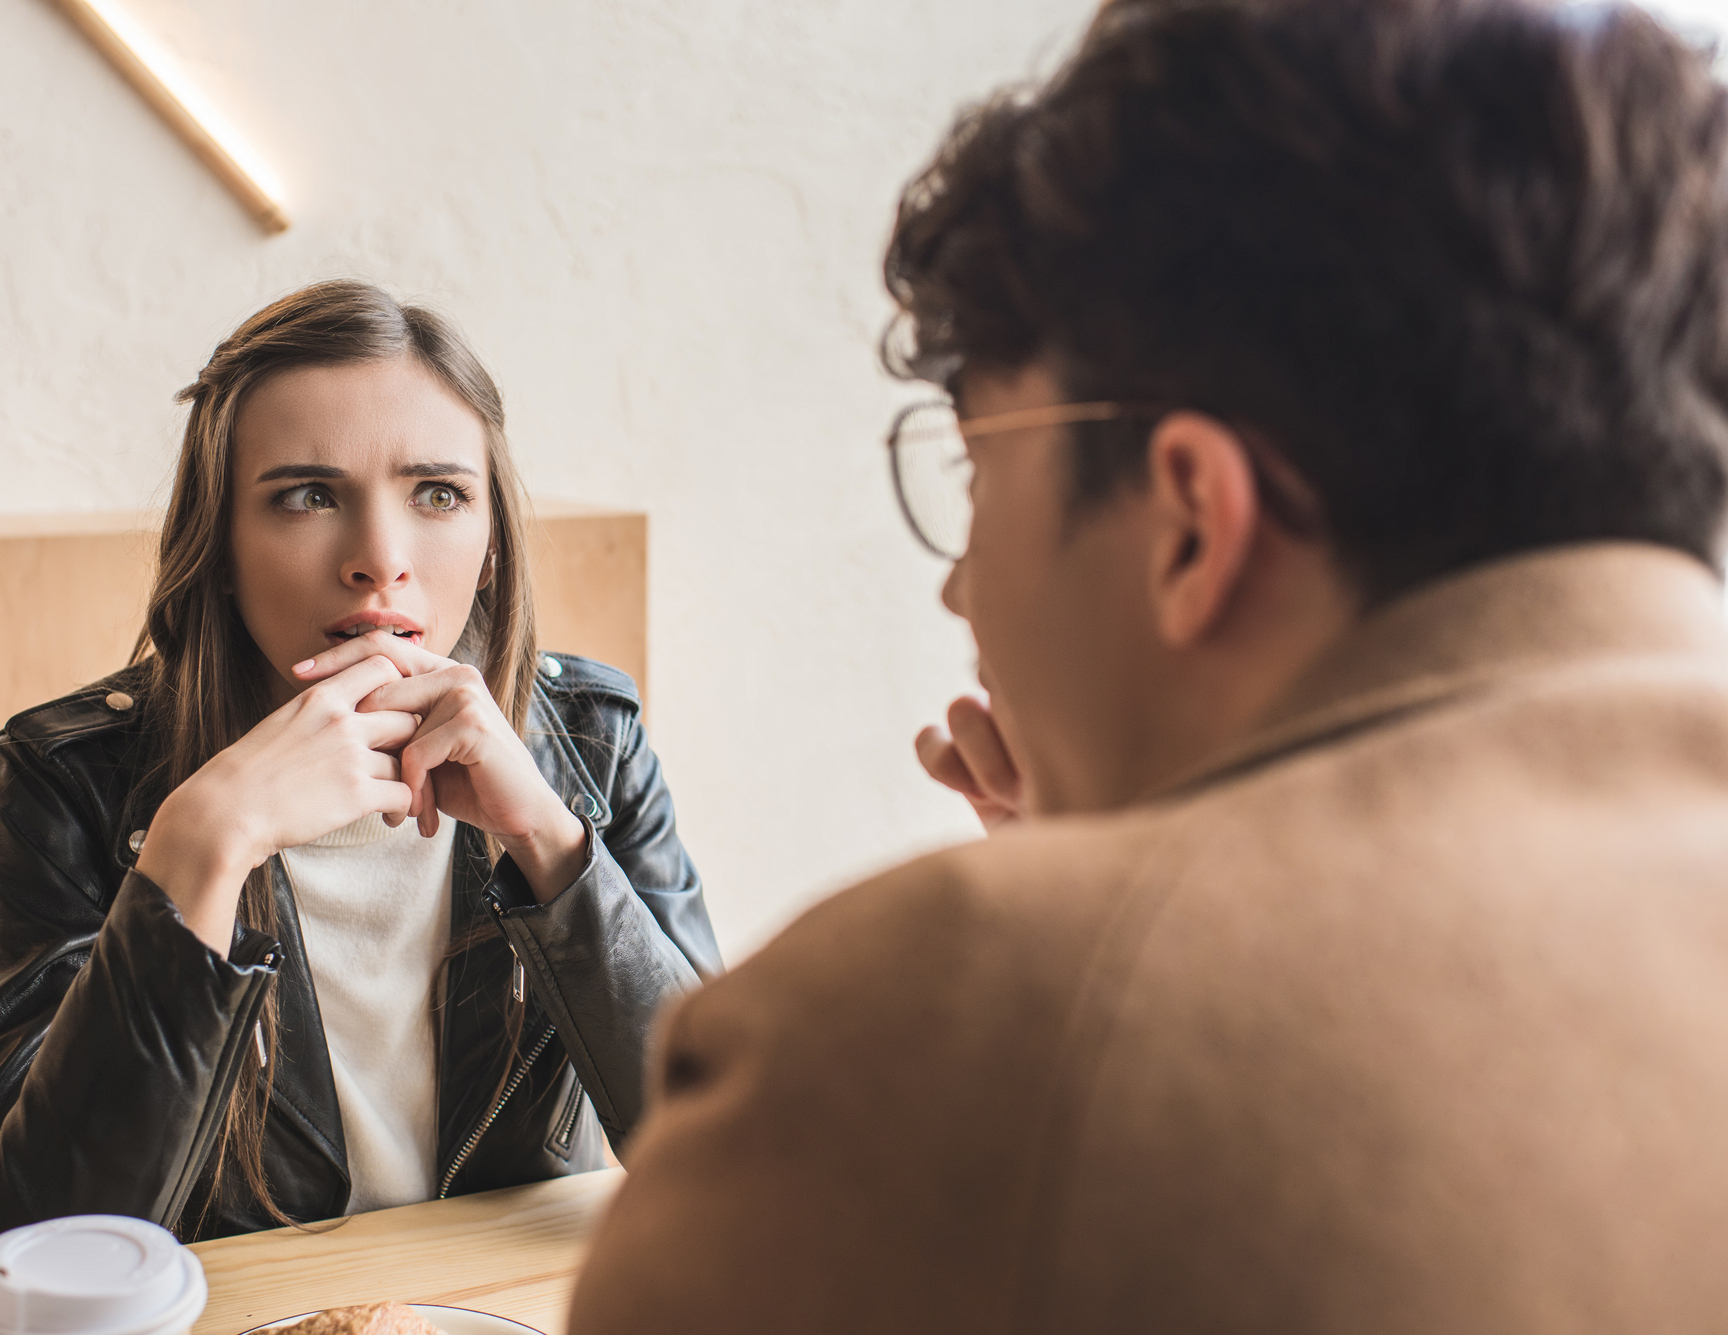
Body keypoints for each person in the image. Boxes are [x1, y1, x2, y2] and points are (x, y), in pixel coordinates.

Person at [568, 0, 1728, 1329]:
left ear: (1189, 516)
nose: (959, 585)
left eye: (977, 474)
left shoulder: (932, 1039)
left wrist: (1084, 945)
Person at [0, 281, 719, 1288]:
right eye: (307, 495)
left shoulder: (590, 743)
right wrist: (199, 848)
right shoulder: (68, 781)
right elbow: (6, 1264)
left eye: (437, 493)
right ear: (217, 546)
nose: (379, 562)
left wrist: (555, 848)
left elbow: (725, 1151)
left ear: (489, 549)